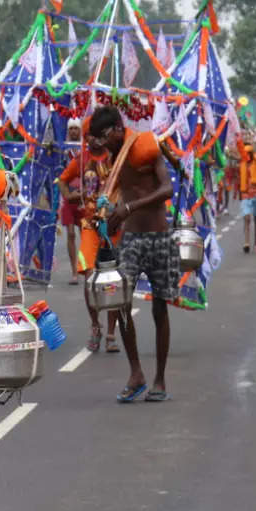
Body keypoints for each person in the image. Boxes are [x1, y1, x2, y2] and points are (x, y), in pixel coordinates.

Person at [88, 107, 177, 402]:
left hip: (159, 237)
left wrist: (130, 208)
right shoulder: (115, 159)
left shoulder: (145, 146)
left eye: (103, 138)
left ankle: (160, 379)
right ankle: (136, 372)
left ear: (116, 129)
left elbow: (166, 190)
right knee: (120, 302)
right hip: (131, 239)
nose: (101, 145)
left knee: (159, 308)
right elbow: (123, 197)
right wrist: (111, 215)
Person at [57, 115, 122, 352]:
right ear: (86, 137)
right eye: (90, 136)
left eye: (98, 135)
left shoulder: (116, 158)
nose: (94, 140)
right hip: (89, 226)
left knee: (113, 280)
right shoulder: (81, 159)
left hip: (113, 226)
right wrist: (69, 195)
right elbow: (62, 181)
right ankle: (95, 325)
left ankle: (112, 333)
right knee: (90, 277)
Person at [58, 118, 84, 285]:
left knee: (85, 233)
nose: (74, 131)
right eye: (71, 128)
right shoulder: (64, 150)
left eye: (76, 128)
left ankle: (86, 268)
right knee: (71, 234)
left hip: (83, 196)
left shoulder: (85, 149)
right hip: (68, 197)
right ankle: (74, 272)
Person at [239, 142, 256, 253]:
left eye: (248, 153)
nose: (247, 155)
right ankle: (246, 242)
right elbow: (239, 179)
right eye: (245, 153)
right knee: (246, 218)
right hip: (246, 194)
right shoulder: (242, 165)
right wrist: (238, 192)